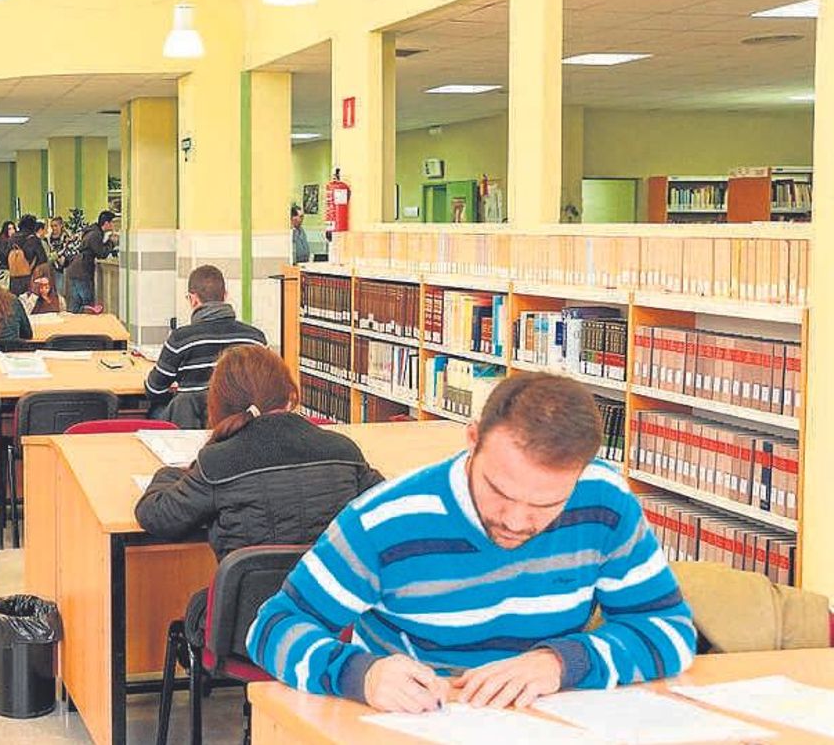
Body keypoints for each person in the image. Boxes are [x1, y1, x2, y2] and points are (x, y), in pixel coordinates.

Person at [247, 373, 696, 714]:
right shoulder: (385, 520)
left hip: (545, 720)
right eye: (499, 491)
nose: (517, 521)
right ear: (472, 439)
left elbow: (669, 630)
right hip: (419, 722)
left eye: (546, 505)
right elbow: (272, 628)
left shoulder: (604, 502)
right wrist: (361, 675)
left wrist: (561, 663)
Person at [136, 345, 383, 643]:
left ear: (218, 403)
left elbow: (158, 517)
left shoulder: (218, 462)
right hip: (334, 623)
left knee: (198, 606)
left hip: (247, 630)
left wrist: (168, 475)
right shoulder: (343, 451)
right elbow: (385, 507)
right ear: (290, 394)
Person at [145, 265, 266, 410]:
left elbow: (154, 390)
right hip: (241, 421)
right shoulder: (256, 339)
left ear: (193, 299)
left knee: (156, 410)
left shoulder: (180, 340)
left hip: (189, 421)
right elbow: (267, 389)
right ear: (225, 296)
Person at [65, 210, 117, 311]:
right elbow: (101, 253)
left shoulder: (91, 231)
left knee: (75, 305)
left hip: (75, 269)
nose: (114, 226)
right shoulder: (95, 234)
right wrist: (111, 242)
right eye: (112, 222)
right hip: (83, 271)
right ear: (106, 223)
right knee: (86, 304)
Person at [7, 214, 48, 296]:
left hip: (14, 278)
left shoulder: (12, 238)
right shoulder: (33, 239)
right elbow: (43, 259)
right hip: (29, 277)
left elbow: (6, 256)